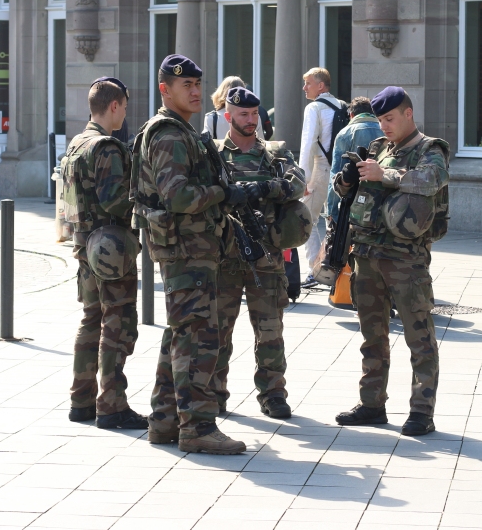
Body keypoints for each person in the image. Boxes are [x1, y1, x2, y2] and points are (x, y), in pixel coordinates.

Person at [132, 54, 248, 455]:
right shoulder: (168, 134)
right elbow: (178, 195)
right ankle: (197, 427)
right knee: (199, 338)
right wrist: (222, 193)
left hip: (192, 248)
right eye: (188, 87)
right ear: (165, 89)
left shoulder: (183, 131)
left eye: (199, 85)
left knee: (181, 334)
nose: (197, 92)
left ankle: (164, 420)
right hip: (186, 249)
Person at [332, 86, 449, 437]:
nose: (384, 126)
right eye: (381, 119)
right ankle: (372, 404)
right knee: (372, 335)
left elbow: (432, 181)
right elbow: (347, 193)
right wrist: (347, 179)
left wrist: (386, 175)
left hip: (405, 259)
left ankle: (421, 411)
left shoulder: (430, 150)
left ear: (408, 114)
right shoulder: (380, 149)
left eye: (390, 119)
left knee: (419, 337)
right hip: (367, 255)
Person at [211, 87, 306, 420]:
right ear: (228, 117)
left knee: (270, 329)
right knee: (219, 329)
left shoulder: (275, 152)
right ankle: (214, 394)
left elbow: (298, 183)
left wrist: (265, 187)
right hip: (224, 256)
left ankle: (273, 393)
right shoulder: (215, 153)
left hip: (266, 255)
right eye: (243, 115)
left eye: (254, 115)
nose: (251, 121)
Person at [63, 77, 148, 431]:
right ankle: (111, 403)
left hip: (85, 244)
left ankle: (81, 400)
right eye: (125, 107)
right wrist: (145, 201)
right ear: (114, 106)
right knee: (118, 322)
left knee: (91, 320)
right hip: (111, 248)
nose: (126, 114)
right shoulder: (106, 148)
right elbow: (114, 199)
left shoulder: (77, 143)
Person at [299, 67, 343, 284]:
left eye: (308, 83)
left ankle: (316, 271)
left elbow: (307, 144)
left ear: (321, 85)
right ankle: (335, 268)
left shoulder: (313, 108)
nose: (304, 87)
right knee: (334, 220)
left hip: (321, 168)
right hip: (342, 172)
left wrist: (303, 179)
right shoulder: (342, 105)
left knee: (306, 219)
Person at [327, 96, 381, 224]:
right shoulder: (386, 130)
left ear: (351, 115)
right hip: (381, 204)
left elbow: (336, 174)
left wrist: (332, 212)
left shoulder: (345, 133)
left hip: (354, 206)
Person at [203, 75, 271, 140]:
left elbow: (205, 146)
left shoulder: (211, 118)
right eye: (244, 114)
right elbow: (261, 143)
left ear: (221, 92)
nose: (250, 120)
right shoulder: (254, 117)